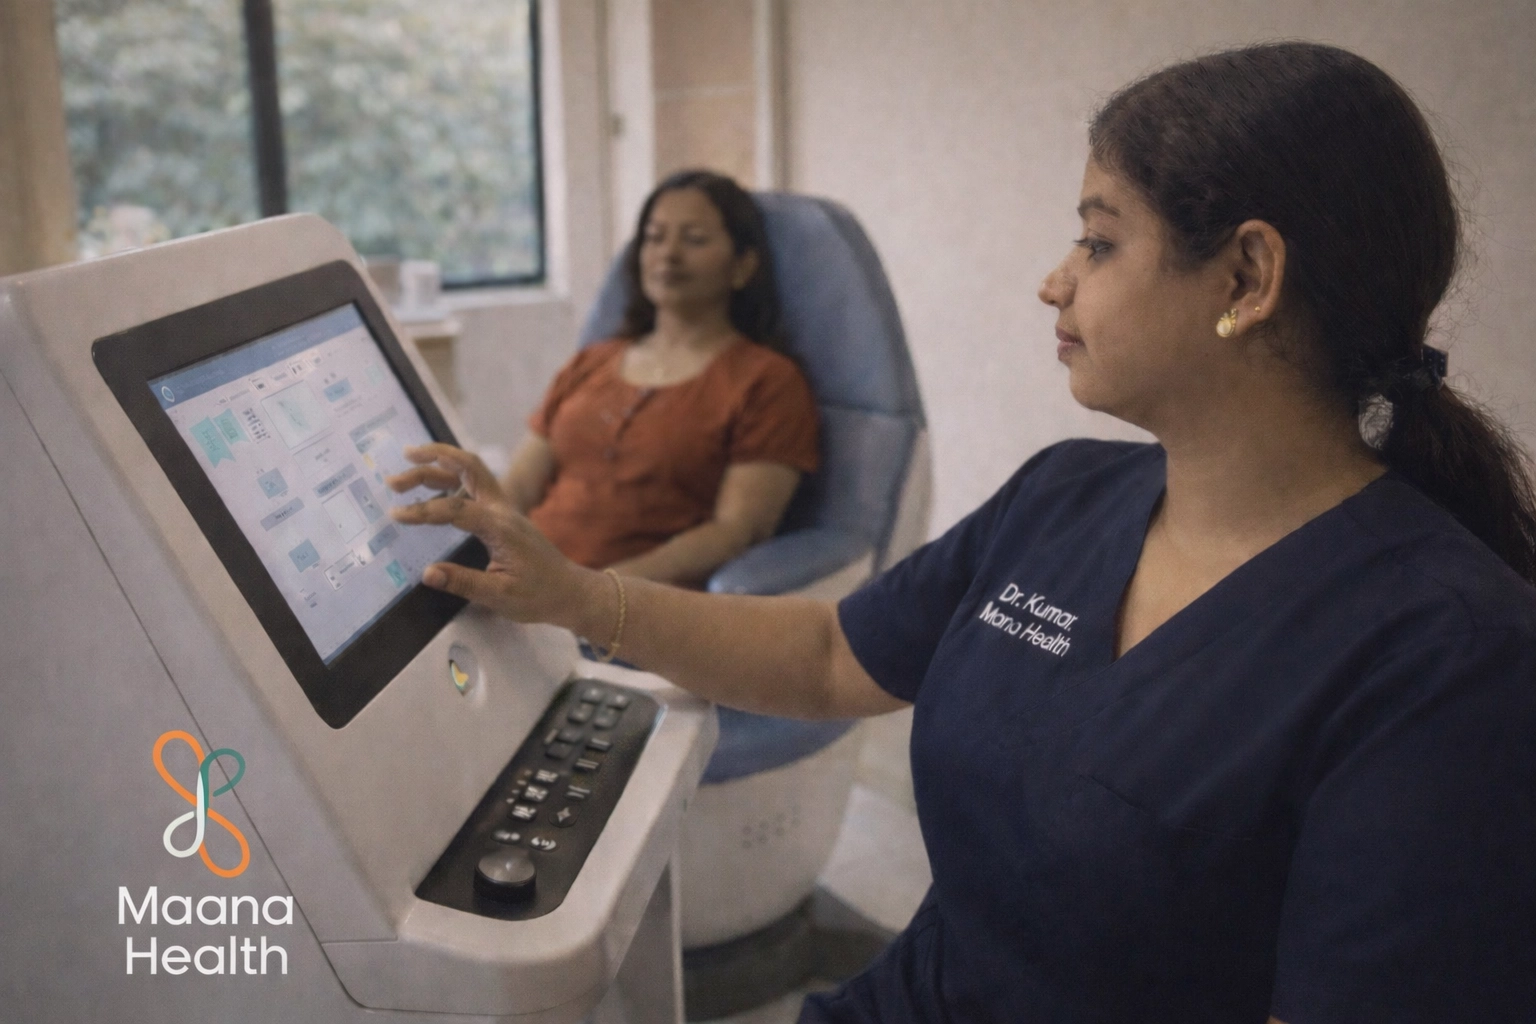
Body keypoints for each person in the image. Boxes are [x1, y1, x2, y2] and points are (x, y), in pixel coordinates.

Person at [388, 43, 1536, 1024]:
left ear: (1247, 274)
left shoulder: (1448, 659)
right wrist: (581, 599)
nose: (1054, 281)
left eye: (1097, 240)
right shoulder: (1065, 496)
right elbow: (834, 655)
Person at [499, 169, 818, 585]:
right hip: (527, 589)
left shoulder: (768, 382)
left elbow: (737, 531)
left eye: (695, 239)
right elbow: (519, 487)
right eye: (654, 237)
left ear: (743, 266)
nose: (668, 254)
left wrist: (594, 592)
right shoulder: (590, 364)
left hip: (631, 611)